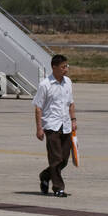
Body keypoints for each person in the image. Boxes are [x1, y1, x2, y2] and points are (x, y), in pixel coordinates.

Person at [33, 53, 76, 198]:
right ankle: (58, 188)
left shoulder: (68, 82)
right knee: (55, 158)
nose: (66, 69)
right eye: (63, 67)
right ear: (54, 67)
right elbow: (38, 107)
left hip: (66, 125)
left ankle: (45, 175)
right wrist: (39, 128)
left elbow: (71, 103)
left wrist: (74, 120)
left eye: (67, 66)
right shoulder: (45, 85)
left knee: (64, 160)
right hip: (51, 126)